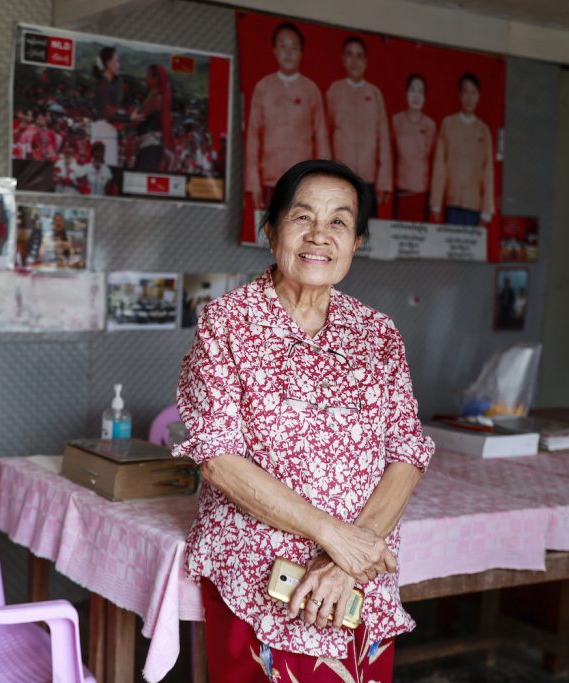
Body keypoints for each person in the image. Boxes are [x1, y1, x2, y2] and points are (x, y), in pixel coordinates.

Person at [174, 159, 433, 682]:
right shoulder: (227, 324)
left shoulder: (378, 335)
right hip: (258, 573)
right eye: (302, 218)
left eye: (339, 221)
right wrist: (332, 536)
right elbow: (218, 460)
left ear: (357, 241)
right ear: (271, 230)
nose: (320, 235)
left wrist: (346, 559)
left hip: (356, 579)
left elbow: (407, 455)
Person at [245, 22, 330, 211]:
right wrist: (253, 183)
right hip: (269, 183)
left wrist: (324, 187)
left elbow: (322, 139)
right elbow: (252, 138)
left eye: (294, 47)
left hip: (302, 185)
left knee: (302, 238)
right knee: (269, 238)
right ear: (274, 50)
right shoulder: (263, 88)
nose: (288, 53)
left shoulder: (311, 89)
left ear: (301, 52)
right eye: (283, 46)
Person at [326, 37, 392, 208]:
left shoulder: (374, 94)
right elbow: (326, 134)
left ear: (366, 61)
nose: (354, 60)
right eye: (350, 54)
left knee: (367, 232)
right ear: (343, 60)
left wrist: (383, 182)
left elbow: (383, 140)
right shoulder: (335, 91)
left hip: (367, 180)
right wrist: (326, 175)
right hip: (340, 178)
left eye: (359, 55)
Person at [430, 72, 494, 227]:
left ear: (479, 96)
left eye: (473, 92)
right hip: (452, 202)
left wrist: (487, 210)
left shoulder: (483, 130)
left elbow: (488, 172)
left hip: (474, 205)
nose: (469, 98)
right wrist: (436, 203)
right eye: (465, 92)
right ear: (459, 95)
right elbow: (440, 166)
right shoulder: (448, 124)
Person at [391, 73, 436, 222]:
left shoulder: (430, 125)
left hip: (421, 195)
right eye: (412, 90)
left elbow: (432, 160)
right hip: (401, 193)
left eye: (420, 91)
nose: (416, 95)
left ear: (425, 96)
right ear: (406, 93)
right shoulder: (396, 121)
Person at [130, 63, 173, 172]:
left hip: (151, 148)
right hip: (147, 147)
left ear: (155, 79)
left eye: (148, 76)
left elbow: (136, 119)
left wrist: (132, 115)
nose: (146, 78)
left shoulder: (156, 99)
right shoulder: (153, 97)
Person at [90, 46, 121, 167]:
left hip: (106, 130)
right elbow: (109, 112)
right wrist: (129, 117)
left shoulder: (107, 84)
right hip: (104, 130)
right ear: (108, 63)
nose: (119, 65)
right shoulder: (104, 85)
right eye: (116, 61)